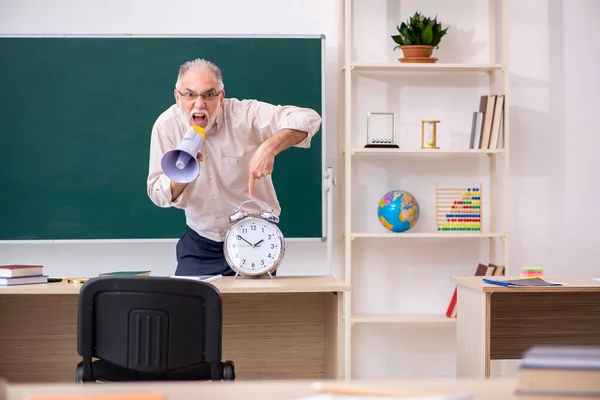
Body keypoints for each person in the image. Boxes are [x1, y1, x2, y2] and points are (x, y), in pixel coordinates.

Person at [146, 58, 322, 276]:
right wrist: (183, 173)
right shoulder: (166, 125)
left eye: (209, 95)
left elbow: (309, 118)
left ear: (221, 97)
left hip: (253, 240)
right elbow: (156, 193)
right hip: (200, 244)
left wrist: (269, 147)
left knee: (252, 310)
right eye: (190, 95)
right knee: (189, 308)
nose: (199, 104)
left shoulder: (244, 114)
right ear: (177, 97)